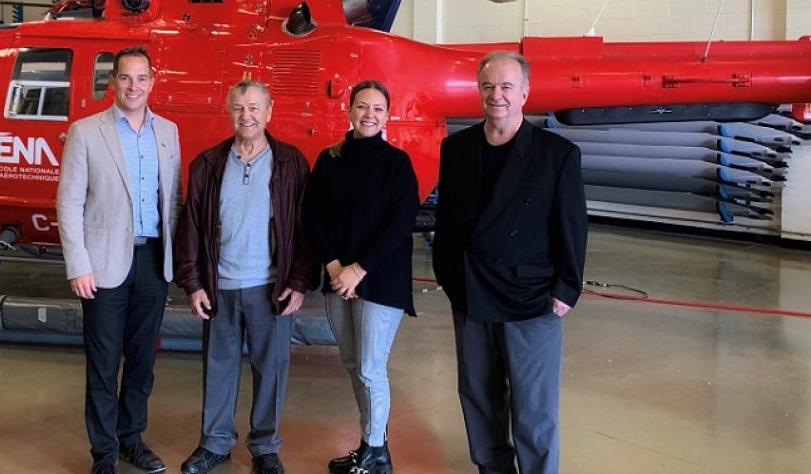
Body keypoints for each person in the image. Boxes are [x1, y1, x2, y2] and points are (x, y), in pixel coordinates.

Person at [433, 51, 587, 474]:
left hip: (532, 296)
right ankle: (491, 468)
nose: (496, 95)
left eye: (505, 87)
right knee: (478, 395)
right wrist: (449, 277)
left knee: (533, 404)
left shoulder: (557, 154)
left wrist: (567, 286)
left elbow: (572, 225)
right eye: (488, 87)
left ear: (524, 93)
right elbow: (447, 222)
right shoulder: (457, 149)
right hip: (471, 292)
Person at [173, 79, 316, 474]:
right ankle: (215, 443)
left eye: (254, 107)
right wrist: (193, 282)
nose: (246, 115)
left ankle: (265, 447)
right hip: (219, 286)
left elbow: (305, 227)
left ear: (269, 113)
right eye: (239, 108)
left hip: (271, 286)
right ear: (228, 111)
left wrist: (299, 281)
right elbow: (190, 228)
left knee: (271, 370)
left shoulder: (291, 163)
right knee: (218, 368)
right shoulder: (207, 164)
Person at [57, 46, 182, 474]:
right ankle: (104, 452)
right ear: (113, 82)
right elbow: (69, 203)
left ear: (153, 81)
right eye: (125, 78)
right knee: (104, 363)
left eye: (141, 78)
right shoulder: (85, 131)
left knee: (143, 360)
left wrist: (179, 260)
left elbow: (175, 202)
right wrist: (78, 264)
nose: (134, 86)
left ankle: (132, 438)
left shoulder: (168, 132)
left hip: (153, 262)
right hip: (103, 264)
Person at [302, 80, 419, 474]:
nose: (369, 114)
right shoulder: (329, 159)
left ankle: (375, 451)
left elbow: (399, 223)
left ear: (387, 116)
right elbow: (312, 216)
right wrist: (334, 266)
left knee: (371, 366)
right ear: (349, 111)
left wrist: (358, 268)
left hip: (379, 281)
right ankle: (371, 445)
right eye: (362, 106)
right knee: (353, 364)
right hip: (338, 279)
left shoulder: (396, 164)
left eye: (378, 108)